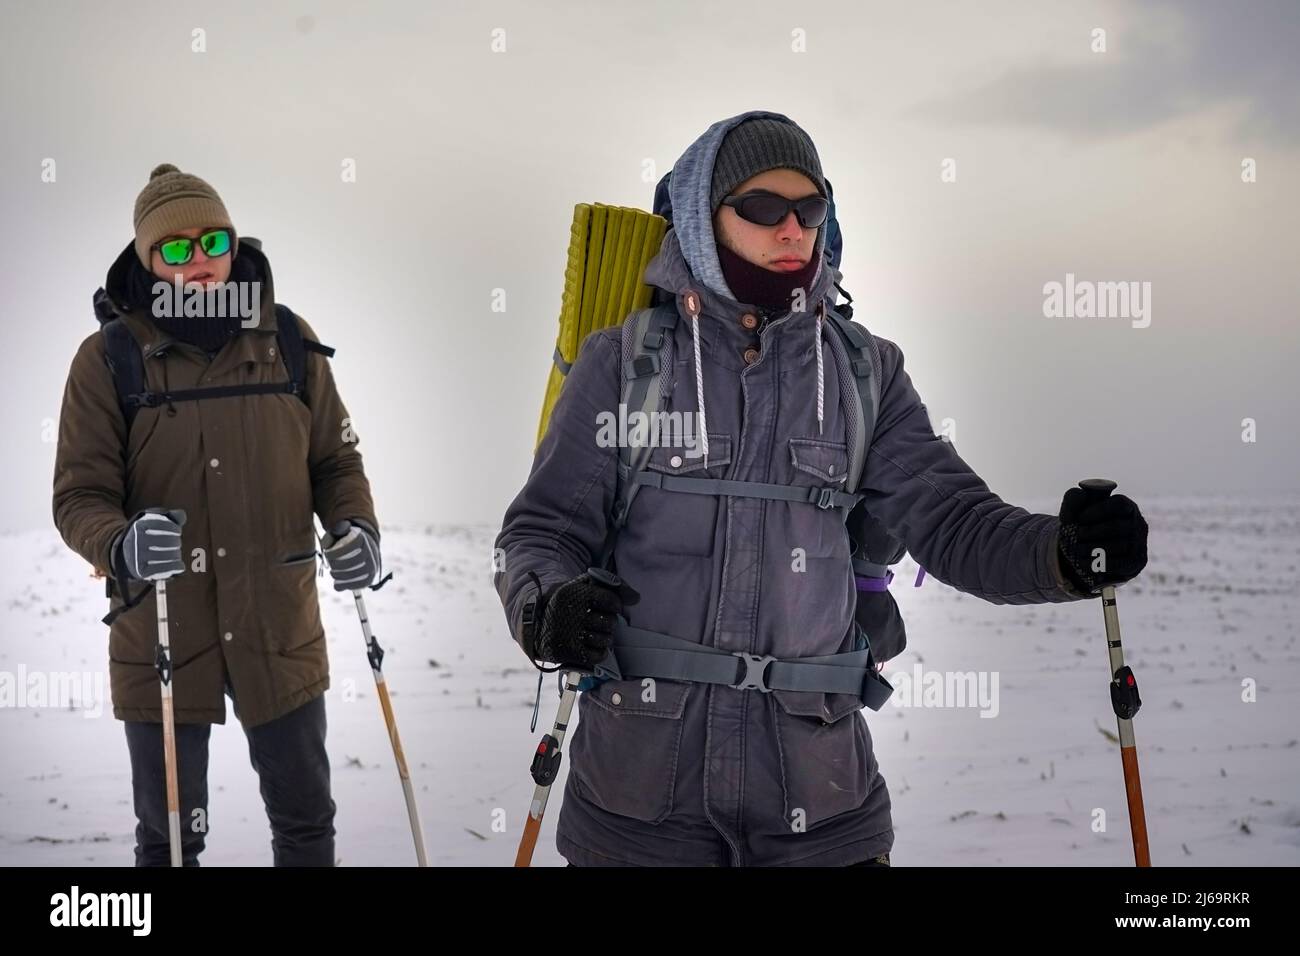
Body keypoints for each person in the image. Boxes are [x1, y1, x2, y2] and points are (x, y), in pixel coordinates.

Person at [493, 111, 1148, 867]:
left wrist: (1063, 553)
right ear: (706, 221)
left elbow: (955, 522)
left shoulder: (865, 374)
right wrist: (546, 609)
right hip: (638, 819)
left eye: (809, 208)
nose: (791, 228)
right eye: (763, 208)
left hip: (824, 818)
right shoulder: (625, 365)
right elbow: (540, 534)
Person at [52, 163, 385, 866]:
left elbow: (335, 463)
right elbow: (79, 496)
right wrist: (121, 545)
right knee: (172, 837)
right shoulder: (109, 359)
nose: (197, 260)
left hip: (278, 622)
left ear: (234, 245)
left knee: (305, 822)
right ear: (148, 263)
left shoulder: (288, 340)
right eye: (174, 250)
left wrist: (357, 529)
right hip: (162, 630)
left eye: (212, 241)